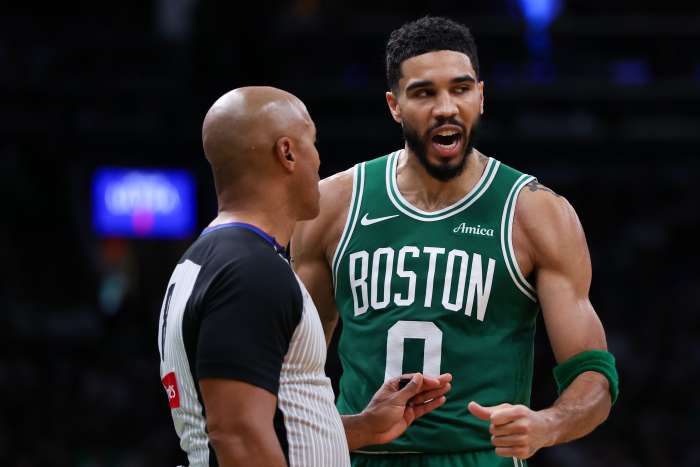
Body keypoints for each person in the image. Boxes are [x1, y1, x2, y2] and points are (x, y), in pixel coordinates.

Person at [291, 16, 618, 467]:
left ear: (480, 97)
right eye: (425, 93)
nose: (446, 107)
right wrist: (344, 430)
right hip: (362, 454)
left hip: (480, 457)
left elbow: (593, 374)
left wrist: (548, 425)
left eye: (460, 89)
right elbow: (291, 371)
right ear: (394, 105)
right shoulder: (332, 206)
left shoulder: (535, 213)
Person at [156, 86, 453, 467]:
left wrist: (366, 426)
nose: (319, 158)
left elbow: (273, 427)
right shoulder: (251, 271)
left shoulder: (212, 257)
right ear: (288, 152)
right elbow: (239, 435)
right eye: (312, 142)